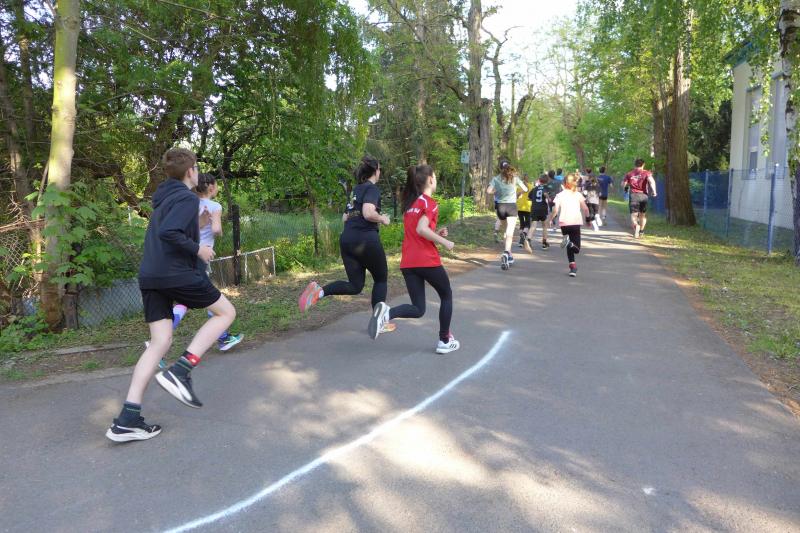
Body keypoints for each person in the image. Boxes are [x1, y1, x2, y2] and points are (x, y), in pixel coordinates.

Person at [106, 148, 236, 442]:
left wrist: (198, 227)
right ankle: (181, 370)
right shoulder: (187, 198)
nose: (198, 172)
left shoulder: (165, 198)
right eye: (197, 168)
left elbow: (170, 230)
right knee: (226, 312)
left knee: (159, 342)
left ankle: (127, 419)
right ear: (191, 171)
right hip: (174, 273)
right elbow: (169, 233)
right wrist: (199, 249)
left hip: (151, 275)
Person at [297, 156, 395, 339]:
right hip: (366, 240)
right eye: (380, 169)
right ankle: (379, 322)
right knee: (381, 279)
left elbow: (345, 217)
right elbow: (368, 213)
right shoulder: (372, 188)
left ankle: (320, 291)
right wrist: (383, 218)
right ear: (375, 171)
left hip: (347, 240)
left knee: (355, 285)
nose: (380, 172)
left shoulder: (355, 191)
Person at [157, 174, 243, 369]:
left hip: (185, 255)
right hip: (200, 257)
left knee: (204, 298)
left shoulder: (188, 204)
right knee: (206, 299)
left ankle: (223, 337)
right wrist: (218, 228)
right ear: (211, 188)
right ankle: (157, 343)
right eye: (216, 185)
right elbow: (216, 229)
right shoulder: (215, 206)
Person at [371, 164, 459, 353]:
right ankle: (445, 340)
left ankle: (387, 313)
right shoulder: (429, 203)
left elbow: (418, 232)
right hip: (426, 260)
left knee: (418, 309)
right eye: (435, 177)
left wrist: (435, 233)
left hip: (408, 263)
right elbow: (421, 229)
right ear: (430, 180)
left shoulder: (411, 205)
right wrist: (444, 241)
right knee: (446, 295)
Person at [486, 162, 528, 269]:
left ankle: (509, 255)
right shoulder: (515, 178)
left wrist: (496, 191)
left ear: (501, 169)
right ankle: (506, 253)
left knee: (506, 231)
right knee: (509, 233)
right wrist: (518, 193)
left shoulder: (496, 179)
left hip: (500, 207)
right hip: (511, 206)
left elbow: (488, 191)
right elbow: (526, 189)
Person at [548, 173, 590, 278]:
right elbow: (585, 209)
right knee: (577, 248)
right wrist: (588, 220)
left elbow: (555, 210)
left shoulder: (560, 195)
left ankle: (573, 267)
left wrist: (551, 219)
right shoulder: (578, 194)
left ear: (564, 183)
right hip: (575, 223)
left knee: (569, 245)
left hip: (564, 224)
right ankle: (569, 245)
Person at [622, 158, 657, 238]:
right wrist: (654, 191)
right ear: (643, 164)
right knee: (642, 215)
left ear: (634, 164)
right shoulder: (646, 173)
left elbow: (623, 184)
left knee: (634, 215)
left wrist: (625, 187)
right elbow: (651, 181)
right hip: (644, 196)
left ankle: (636, 225)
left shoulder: (629, 174)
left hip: (633, 196)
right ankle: (641, 231)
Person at [528, 174, 551, 249]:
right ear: (547, 181)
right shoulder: (546, 188)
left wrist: (534, 199)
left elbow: (529, 197)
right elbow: (545, 194)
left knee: (533, 225)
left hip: (534, 208)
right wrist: (549, 199)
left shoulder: (534, 188)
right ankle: (544, 243)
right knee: (544, 226)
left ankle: (528, 240)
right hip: (542, 209)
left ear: (539, 180)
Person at [516, 173, 533, 253]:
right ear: (528, 178)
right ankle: (523, 237)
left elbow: (516, 196)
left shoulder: (519, 187)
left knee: (521, 224)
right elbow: (532, 197)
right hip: (528, 207)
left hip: (519, 207)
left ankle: (521, 241)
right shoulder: (531, 186)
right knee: (527, 224)